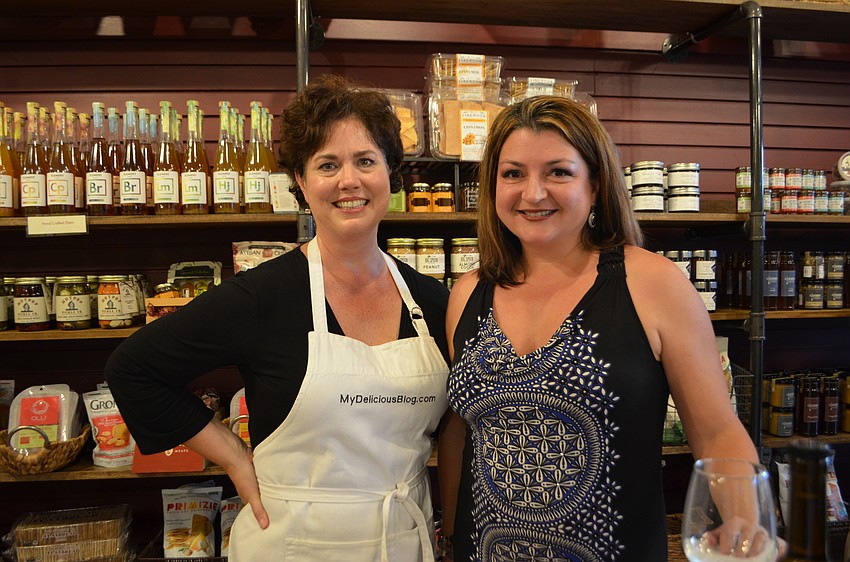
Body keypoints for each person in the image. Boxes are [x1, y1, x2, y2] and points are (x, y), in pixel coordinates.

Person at [106, 75, 450, 561]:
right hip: (290, 542)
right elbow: (133, 369)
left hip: (402, 541)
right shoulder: (262, 297)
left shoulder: (432, 301)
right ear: (302, 184)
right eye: (327, 164)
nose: (349, 181)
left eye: (365, 161)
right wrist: (233, 458)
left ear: (391, 174)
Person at [437, 95, 764, 561]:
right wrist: (450, 536)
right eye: (513, 174)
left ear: (595, 185)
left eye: (558, 172)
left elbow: (715, 432)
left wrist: (744, 525)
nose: (532, 193)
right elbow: (463, 430)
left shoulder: (652, 282)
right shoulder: (468, 292)